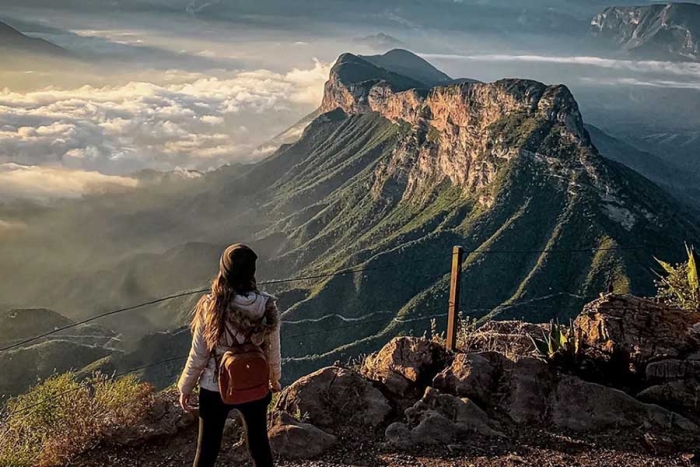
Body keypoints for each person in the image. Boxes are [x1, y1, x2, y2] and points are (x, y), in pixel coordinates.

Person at [178, 243, 281, 467]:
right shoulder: (266, 306)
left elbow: (199, 355)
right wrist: (273, 379)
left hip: (215, 387)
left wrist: (185, 388)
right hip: (255, 383)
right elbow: (272, 350)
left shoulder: (211, 307)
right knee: (259, 446)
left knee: (207, 451)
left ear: (224, 272)